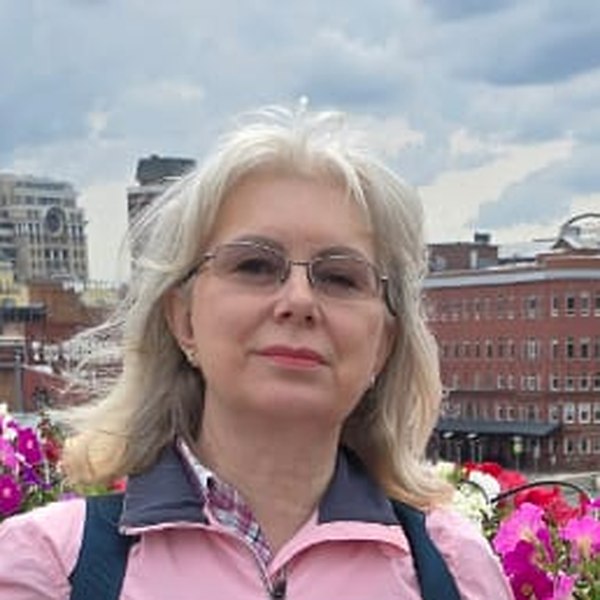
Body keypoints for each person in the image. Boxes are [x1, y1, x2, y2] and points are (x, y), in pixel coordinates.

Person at [0, 104, 514, 599]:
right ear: (184, 319)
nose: (299, 301)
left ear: (383, 343)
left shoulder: (452, 570)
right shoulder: (52, 569)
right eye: (254, 266)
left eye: (340, 276)